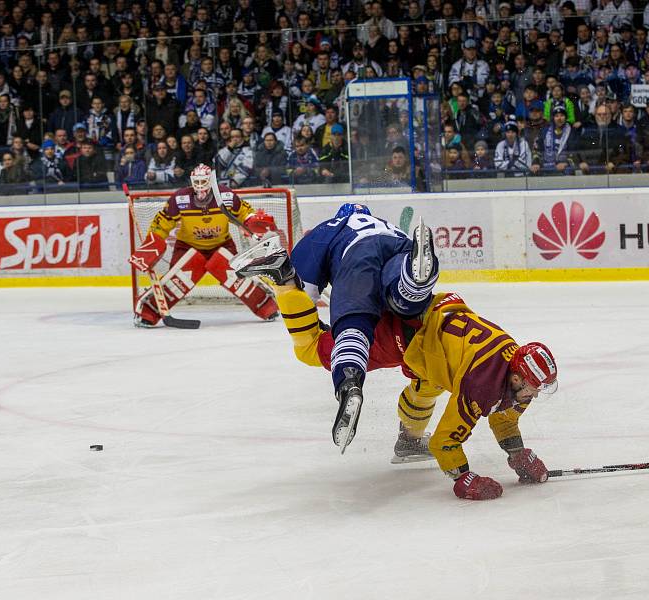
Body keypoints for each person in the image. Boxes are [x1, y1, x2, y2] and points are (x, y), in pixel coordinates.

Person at [235, 269, 557, 500]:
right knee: (313, 350)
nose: (535, 392)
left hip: (429, 336)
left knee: (428, 385)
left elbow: (504, 415)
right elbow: (445, 442)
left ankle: (408, 439)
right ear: (516, 377)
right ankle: (283, 283)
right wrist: (464, 477)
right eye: (533, 386)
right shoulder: (484, 382)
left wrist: (517, 453)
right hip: (404, 335)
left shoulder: (515, 371)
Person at [235, 203, 438, 451]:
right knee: (425, 365)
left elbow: (306, 293)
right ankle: (410, 287)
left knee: (346, 330)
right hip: (404, 273)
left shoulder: (330, 228)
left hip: (358, 259)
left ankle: (349, 381)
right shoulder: (390, 227)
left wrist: (290, 284)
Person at [128, 164, 280, 327]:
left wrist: (252, 221)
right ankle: (147, 313)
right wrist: (153, 243)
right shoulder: (180, 199)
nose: (200, 186)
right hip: (187, 246)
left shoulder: (226, 196)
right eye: (197, 181)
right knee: (175, 282)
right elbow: (162, 223)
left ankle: (267, 305)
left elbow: (244, 212)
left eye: (204, 181)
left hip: (221, 244)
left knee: (238, 277)